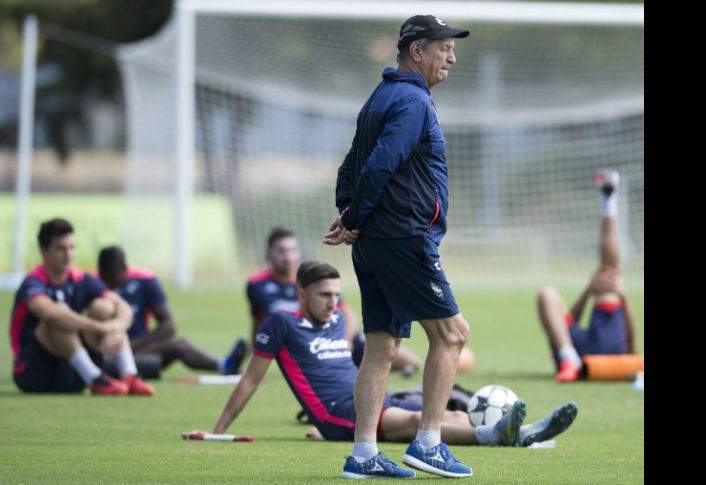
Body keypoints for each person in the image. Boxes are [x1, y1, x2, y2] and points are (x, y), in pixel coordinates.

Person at [183, 263, 578, 479]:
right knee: (417, 423)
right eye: (324, 295)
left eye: (337, 295)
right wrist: (218, 430)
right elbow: (251, 380)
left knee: (449, 415)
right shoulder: (281, 324)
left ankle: (523, 433)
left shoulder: (339, 320)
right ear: (301, 294)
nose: (333, 303)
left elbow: (370, 354)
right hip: (337, 411)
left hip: (364, 402)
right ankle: (500, 434)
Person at [323, 15, 474, 478]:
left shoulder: (381, 95)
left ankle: (363, 454)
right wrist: (353, 217)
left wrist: (350, 213)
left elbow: (351, 164)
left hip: (376, 241)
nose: (452, 57)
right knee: (452, 335)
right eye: (444, 48)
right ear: (416, 51)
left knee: (382, 345)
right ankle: (428, 443)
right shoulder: (412, 100)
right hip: (403, 238)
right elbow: (378, 164)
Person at [10, 218, 155, 396]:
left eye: (72, 248)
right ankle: (96, 380)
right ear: (43, 250)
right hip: (35, 373)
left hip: (74, 371)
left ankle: (130, 375)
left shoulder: (80, 278)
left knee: (104, 307)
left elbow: (123, 307)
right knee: (60, 315)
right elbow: (48, 313)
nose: (68, 255)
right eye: (60, 249)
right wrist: (99, 327)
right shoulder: (33, 282)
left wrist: (114, 328)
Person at [247, 227, 421, 374]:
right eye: (281, 251)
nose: (288, 256)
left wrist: (346, 342)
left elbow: (347, 313)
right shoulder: (256, 285)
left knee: (410, 362)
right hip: (304, 349)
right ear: (268, 253)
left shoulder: (313, 277)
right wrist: (258, 362)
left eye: (292, 250)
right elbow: (259, 324)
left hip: (337, 341)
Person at [537, 169, 638, 382]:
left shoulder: (624, 350)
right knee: (547, 294)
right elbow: (567, 324)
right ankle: (568, 358)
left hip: (608, 355)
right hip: (576, 349)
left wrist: (623, 296)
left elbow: (633, 349)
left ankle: (608, 202)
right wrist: (588, 291)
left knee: (608, 276)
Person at [97, 246, 247, 376]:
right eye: (104, 278)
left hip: (140, 351)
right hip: (102, 353)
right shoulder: (92, 283)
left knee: (180, 345)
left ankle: (225, 365)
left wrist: (132, 344)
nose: (108, 284)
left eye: (112, 278)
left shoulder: (145, 280)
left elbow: (168, 326)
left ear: (123, 268)